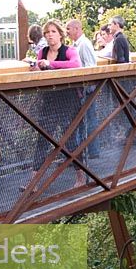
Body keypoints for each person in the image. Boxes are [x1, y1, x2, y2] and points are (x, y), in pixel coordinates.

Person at [25, 19, 85, 191]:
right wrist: (35, 68)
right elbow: (38, 69)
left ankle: (81, 176)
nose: (50, 35)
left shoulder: (68, 51)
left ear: (60, 34)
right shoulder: (42, 51)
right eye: (47, 32)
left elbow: (75, 64)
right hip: (49, 100)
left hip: (67, 100)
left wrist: (51, 64)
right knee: (43, 138)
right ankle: (33, 182)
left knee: (70, 139)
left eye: (53, 32)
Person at [66, 18, 100, 159]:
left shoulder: (84, 45)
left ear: (76, 29)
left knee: (89, 120)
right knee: (81, 121)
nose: (66, 32)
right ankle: (83, 152)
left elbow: (91, 66)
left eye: (68, 29)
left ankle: (92, 153)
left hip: (87, 89)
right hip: (80, 89)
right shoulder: (75, 45)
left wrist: (88, 87)